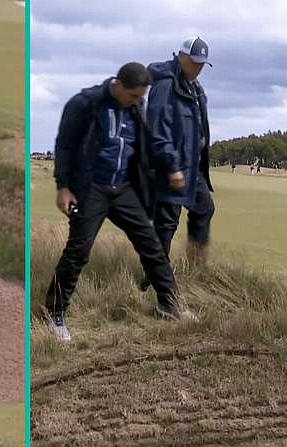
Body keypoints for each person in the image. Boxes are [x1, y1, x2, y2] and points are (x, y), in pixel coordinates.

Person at [44, 62, 183, 342]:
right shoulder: (85, 104)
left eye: (141, 97)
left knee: (152, 245)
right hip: (89, 189)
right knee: (78, 251)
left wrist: (171, 166)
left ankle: (170, 306)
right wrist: (63, 188)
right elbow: (65, 145)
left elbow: (148, 141)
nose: (138, 101)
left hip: (123, 189)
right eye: (134, 95)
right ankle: (54, 313)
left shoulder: (135, 106)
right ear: (118, 85)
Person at [145, 36, 215, 269]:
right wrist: (172, 166)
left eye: (202, 64)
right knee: (166, 223)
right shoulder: (165, 84)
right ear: (181, 56)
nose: (198, 68)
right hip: (170, 168)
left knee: (204, 209)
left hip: (192, 168)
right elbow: (157, 128)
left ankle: (195, 265)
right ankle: (154, 274)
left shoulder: (195, 88)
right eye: (194, 62)